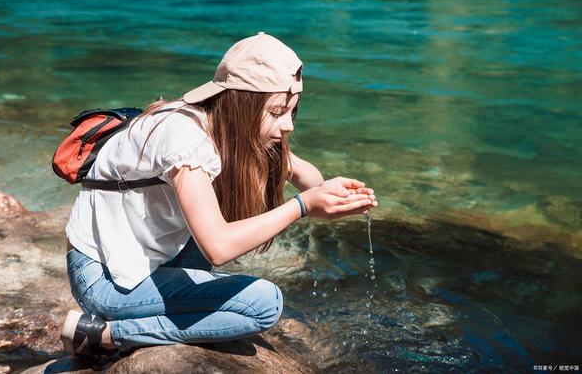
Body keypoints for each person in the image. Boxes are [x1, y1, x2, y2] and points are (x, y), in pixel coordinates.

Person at [60, 32, 378, 362]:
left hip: (139, 258)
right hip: (104, 278)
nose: (288, 126)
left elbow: (311, 181)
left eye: (292, 112)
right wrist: (303, 206)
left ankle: (128, 320)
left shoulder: (216, 121)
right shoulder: (184, 139)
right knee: (263, 305)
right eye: (277, 112)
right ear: (244, 103)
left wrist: (324, 190)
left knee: (218, 233)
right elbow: (219, 247)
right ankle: (104, 336)